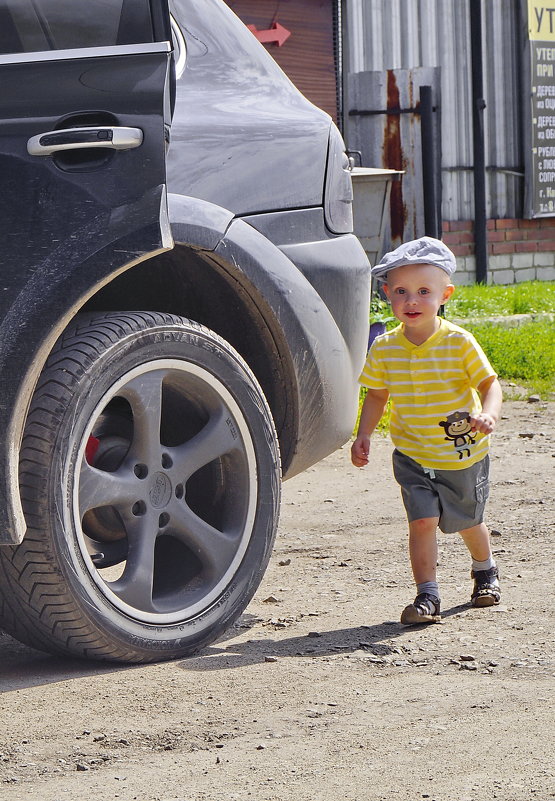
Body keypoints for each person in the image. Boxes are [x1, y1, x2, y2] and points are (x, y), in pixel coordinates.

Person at [351, 236, 503, 625]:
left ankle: (484, 570)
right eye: (401, 291)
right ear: (387, 294)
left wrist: (488, 414)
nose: (412, 301)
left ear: (445, 294)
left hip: (461, 454)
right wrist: (364, 433)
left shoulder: (458, 342)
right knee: (421, 521)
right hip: (412, 453)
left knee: (466, 521)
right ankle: (427, 596)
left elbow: (490, 384)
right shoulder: (384, 347)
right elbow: (377, 395)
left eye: (423, 291)